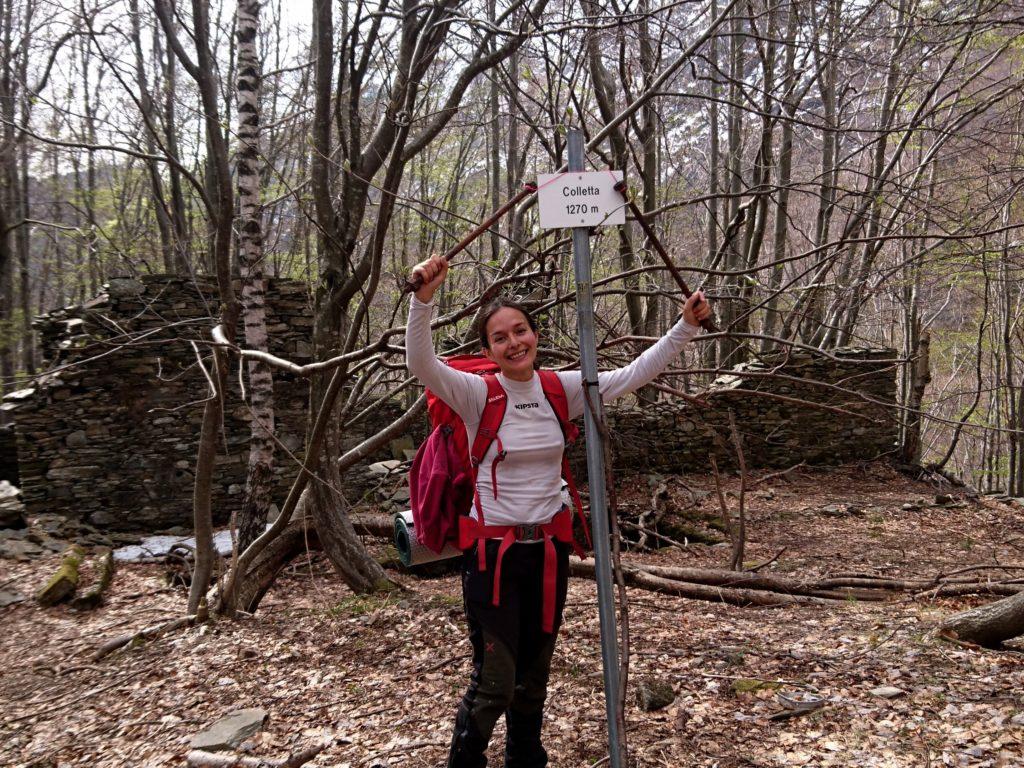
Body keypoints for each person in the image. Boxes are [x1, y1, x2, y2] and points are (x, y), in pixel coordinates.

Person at [406, 253, 712, 768]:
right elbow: (421, 363)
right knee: (495, 680)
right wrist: (423, 302)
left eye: (520, 331)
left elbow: (633, 374)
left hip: (547, 555)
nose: (513, 343)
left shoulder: (558, 389)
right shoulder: (476, 394)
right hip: (491, 559)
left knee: (534, 677)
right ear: (487, 349)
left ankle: (527, 760)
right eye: (500, 337)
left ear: (534, 334)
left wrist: (683, 327)